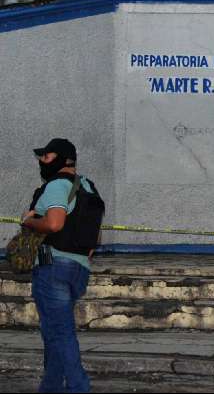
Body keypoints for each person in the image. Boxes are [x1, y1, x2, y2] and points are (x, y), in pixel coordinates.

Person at [20, 138, 103, 393]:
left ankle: (79, 387)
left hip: (52, 264)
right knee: (52, 331)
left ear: (60, 159)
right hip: (78, 269)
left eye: (45, 157)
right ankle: (50, 387)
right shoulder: (88, 187)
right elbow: (95, 238)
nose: (42, 161)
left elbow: (54, 224)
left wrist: (28, 221)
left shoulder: (57, 186)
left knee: (61, 333)